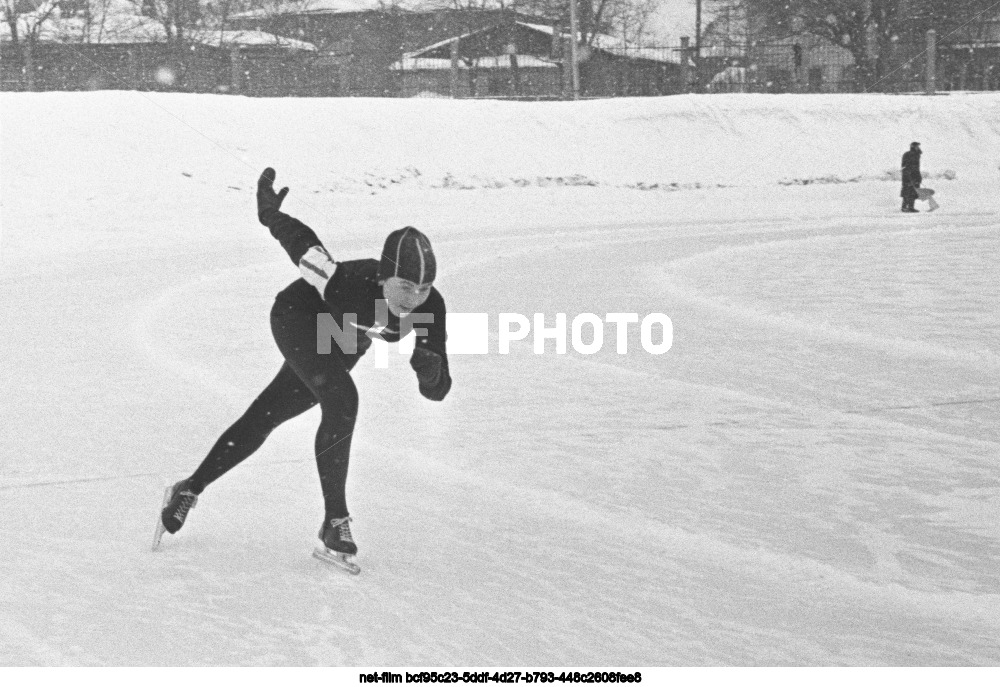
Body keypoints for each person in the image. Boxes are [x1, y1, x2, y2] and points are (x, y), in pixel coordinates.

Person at [158, 168, 452, 561]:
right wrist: (268, 214)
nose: (413, 299)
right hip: (297, 317)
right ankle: (335, 521)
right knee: (342, 398)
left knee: (266, 415)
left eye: (423, 289)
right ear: (384, 278)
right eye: (404, 287)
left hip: (344, 338)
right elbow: (302, 243)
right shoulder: (344, 283)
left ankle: (189, 488)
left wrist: (429, 371)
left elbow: (438, 391)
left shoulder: (429, 308)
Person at [901, 141, 922, 212]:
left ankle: (909, 207)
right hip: (909, 175)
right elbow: (907, 167)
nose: (918, 147)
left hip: (912, 175)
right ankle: (906, 207)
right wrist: (910, 177)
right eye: (917, 146)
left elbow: (916, 167)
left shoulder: (915, 154)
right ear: (913, 147)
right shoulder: (910, 154)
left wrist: (918, 176)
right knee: (908, 191)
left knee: (911, 191)